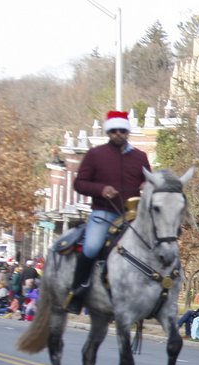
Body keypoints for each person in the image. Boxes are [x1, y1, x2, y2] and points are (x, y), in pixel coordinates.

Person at [69, 110, 151, 314]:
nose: (118, 134)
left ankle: (151, 295)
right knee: (92, 247)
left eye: (122, 130)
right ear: (108, 132)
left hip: (133, 216)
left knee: (153, 246)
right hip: (104, 212)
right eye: (113, 130)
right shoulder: (95, 154)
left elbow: (150, 179)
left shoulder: (140, 157)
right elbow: (79, 183)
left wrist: (146, 184)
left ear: (127, 132)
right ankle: (77, 291)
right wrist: (101, 189)